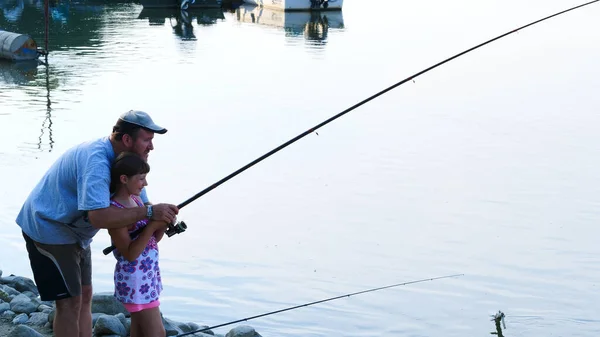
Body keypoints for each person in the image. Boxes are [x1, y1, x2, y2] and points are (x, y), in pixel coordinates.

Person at [15, 110, 179, 337]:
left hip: (77, 233)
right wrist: (150, 213)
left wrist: (161, 217)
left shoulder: (127, 164)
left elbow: (142, 204)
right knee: (69, 303)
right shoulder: (97, 161)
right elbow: (99, 217)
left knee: (85, 293)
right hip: (49, 226)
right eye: (147, 140)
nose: (151, 147)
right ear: (127, 140)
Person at [108, 152, 167, 337]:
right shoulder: (115, 211)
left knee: (139, 332)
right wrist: (151, 227)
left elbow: (151, 241)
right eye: (141, 179)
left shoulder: (136, 200)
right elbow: (130, 254)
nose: (145, 184)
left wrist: (163, 225)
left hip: (147, 276)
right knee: (157, 334)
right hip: (135, 281)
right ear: (124, 179)